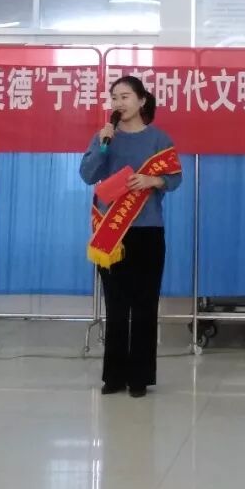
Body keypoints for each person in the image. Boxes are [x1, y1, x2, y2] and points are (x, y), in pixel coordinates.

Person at [80, 76, 182, 398]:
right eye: (114, 97)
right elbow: (87, 175)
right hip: (111, 233)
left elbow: (175, 178)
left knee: (144, 305)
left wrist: (153, 180)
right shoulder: (105, 137)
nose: (118, 103)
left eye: (125, 96)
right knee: (116, 305)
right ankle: (114, 376)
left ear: (142, 100)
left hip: (147, 231)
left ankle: (139, 377)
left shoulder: (158, 139)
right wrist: (103, 145)